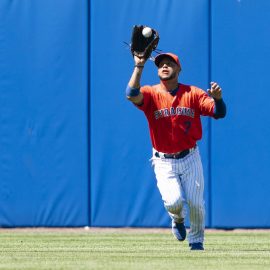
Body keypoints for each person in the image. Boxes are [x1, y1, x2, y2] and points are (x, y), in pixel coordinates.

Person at [126, 52, 226, 251]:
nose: (164, 66)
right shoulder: (151, 93)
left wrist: (218, 99)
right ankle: (177, 218)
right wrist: (139, 67)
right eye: (161, 64)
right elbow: (131, 94)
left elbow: (218, 112)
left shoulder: (193, 93)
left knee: (196, 203)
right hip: (163, 161)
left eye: (169, 63)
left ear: (179, 69)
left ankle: (196, 242)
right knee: (173, 202)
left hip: (189, 157)